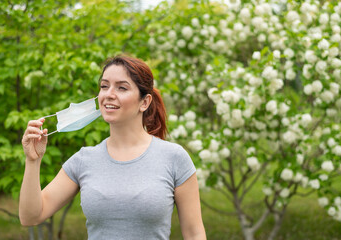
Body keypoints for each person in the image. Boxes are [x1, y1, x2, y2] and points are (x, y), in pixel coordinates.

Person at [19, 55, 206, 240]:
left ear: (145, 102)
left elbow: (195, 234)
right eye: (104, 86)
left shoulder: (174, 158)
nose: (109, 94)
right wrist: (33, 160)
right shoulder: (83, 160)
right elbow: (31, 216)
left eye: (122, 88)